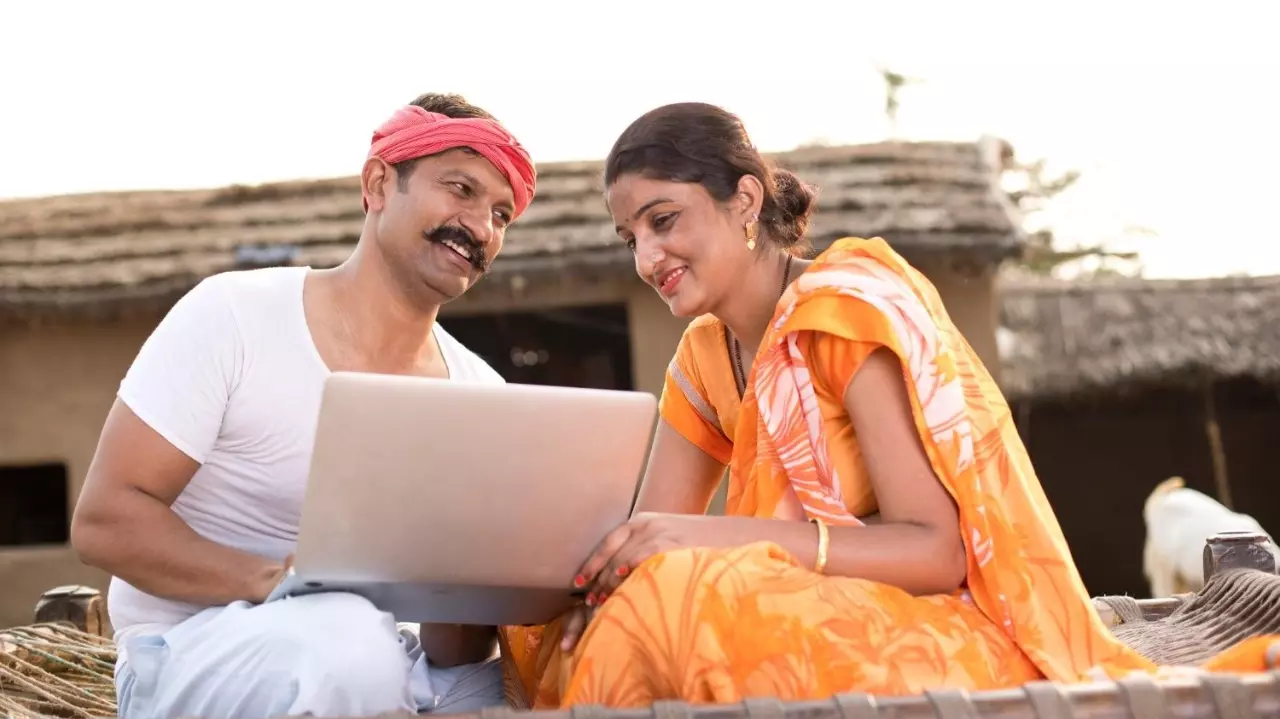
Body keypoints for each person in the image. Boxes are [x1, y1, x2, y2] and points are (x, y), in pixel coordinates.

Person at [499, 102, 1279, 708]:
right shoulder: (705, 360)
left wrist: (709, 540)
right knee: (555, 618)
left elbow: (937, 553)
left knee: (678, 601)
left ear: (743, 199)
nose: (646, 258)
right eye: (628, 235)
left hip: (949, 625)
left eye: (663, 221)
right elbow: (653, 542)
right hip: (805, 610)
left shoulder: (846, 311)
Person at [70, 92, 537, 719]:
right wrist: (282, 582)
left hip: (375, 660)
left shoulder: (480, 395)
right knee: (345, 641)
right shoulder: (235, 314)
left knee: (541, 691)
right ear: (377, 183)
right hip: (188, 652)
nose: (481, 227)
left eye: (502, 215)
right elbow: (104, 523)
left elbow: (450, 651)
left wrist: (478, 576)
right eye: (460, 189)